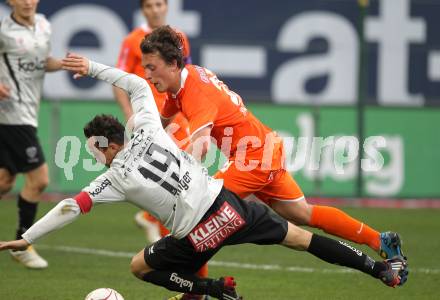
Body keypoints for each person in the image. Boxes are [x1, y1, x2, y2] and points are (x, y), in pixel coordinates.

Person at [0, 55, 408, 300]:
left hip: (198, 231)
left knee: (140, 267)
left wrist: (28, 237)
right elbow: (137, 83)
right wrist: (90, 67)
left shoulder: (113, 179)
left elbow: (72, 206)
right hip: (230, 205)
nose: (94, 157)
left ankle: (212, 291)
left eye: (93, 150)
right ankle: (381, 271)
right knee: (304, 237)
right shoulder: (146, 125)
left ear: (103, 145)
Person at [139, 26, 406, 261]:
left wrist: (179, 177)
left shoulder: (197, 92)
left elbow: (201, 146)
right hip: (264, 149)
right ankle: (379, 240)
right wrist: (144, 138)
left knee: (205, 214)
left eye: (152, 67)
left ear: (173, 64)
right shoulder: (184, 80)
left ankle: (195, 294)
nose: (147, 74)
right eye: (145, 67)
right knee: (302, 213)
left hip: (253, 158)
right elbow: (166, 112)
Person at [114, 0, 192, 247]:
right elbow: (119, 80)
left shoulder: (179, 37)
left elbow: (187, 76)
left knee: (183, 169)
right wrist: (130, 116)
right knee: (166, 173)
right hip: (148, 115)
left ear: (166, 6)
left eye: (159, 4)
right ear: (143, 10)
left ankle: (153, 219)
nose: (155, 9)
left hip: (174, 114)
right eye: (149, 5)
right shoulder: (132, 40)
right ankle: (167, 229)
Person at [0, 0, 63, 269]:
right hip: (11, 114)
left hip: (28, 112)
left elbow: (40, 63)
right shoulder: (4, 32)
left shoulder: (44, 25)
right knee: (39, 179)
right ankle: (22, 245)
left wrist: (62, 64)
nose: (27, 1)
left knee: (4, 181)